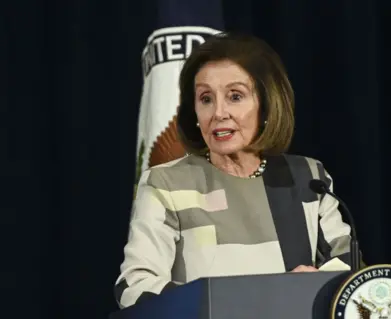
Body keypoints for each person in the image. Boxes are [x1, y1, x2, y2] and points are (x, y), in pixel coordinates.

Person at [114, 32, 355, 309]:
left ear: (266, 104)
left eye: (235, 96)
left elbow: (349, 267)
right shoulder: (166, 183)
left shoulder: (307, 178)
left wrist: (312, 286)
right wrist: (228, 304)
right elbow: (135, 284)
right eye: (206, 99)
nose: (218, 112)